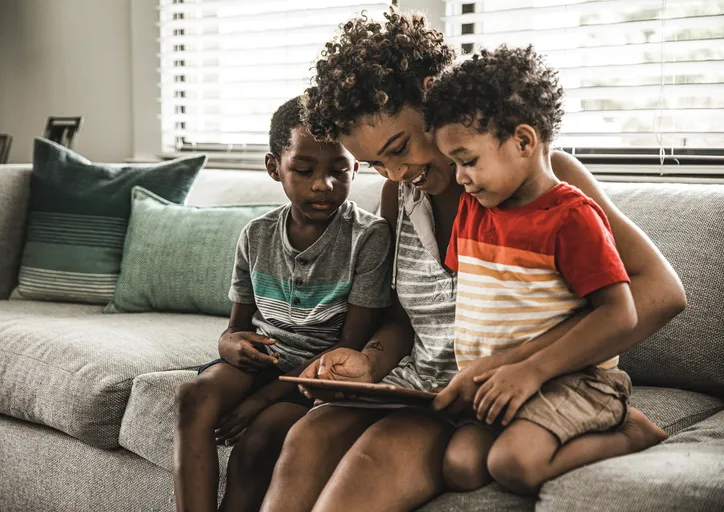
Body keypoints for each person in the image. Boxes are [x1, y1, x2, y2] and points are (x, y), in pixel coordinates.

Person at [262, 11, 685, 512]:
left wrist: (512, 366)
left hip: (507, 396)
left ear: (431, 93)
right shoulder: (402, 197)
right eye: (375, 163)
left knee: (366, 469)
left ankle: (617, 425)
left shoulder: (537, 181)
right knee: (307, 436)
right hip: (423, 389)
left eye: (399, 147)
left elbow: (660, 292)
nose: (396, 172)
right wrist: (369, 361)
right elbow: (406, 319)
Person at [426, 44, 668, 495]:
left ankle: (630, 433)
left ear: (523, 141)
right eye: (455, 163)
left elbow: (620, 314)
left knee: (514, 463)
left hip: (573, 380)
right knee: (460, 468)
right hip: (500, 384)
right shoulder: (475, 208)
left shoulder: (572, 217)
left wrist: (533, 370)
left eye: (468, 160)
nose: (460, 177)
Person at [173, 96, 392, 512]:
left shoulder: (368, 238)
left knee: (259, 438)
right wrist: (229, 347)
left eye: (338, 171)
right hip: (263, 361)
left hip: (320, 373)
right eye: (304, 170)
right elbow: (235, 329)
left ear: (356, 168)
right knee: (191, 395)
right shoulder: (256, 235)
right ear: (275, 167)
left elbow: (350, 346)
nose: (322, 184)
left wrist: (261, 400)